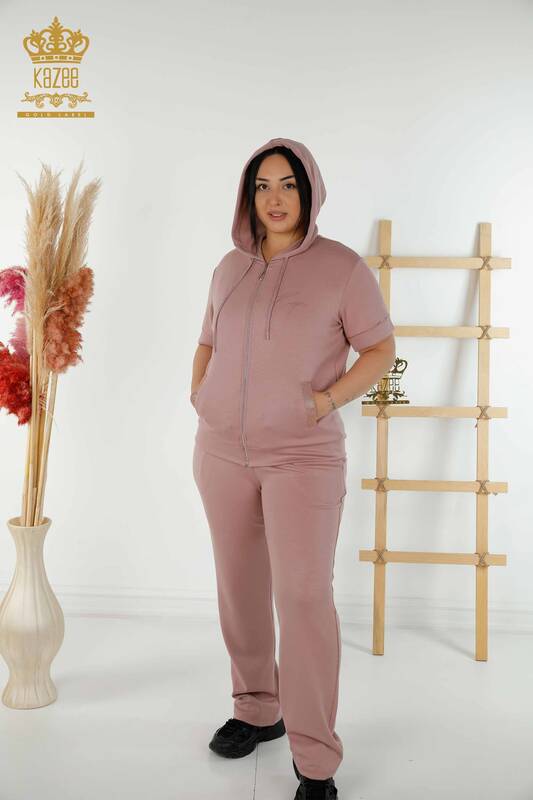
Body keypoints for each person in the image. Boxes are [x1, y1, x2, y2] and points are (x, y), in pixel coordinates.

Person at [190, 137, 395, 800]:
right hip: (221, 452)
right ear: (247, 196)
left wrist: (323, 402)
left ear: (309, 191)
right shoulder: (229, 267)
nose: (274, 199)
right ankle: (257, 709)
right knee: (239, 586)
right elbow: (207, 339)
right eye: (262, 186)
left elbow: (379, 348)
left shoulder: (341, 268)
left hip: (303, 458)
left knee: (302, 597)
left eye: (287, 185)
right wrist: (201, 395)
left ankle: (316, 758)